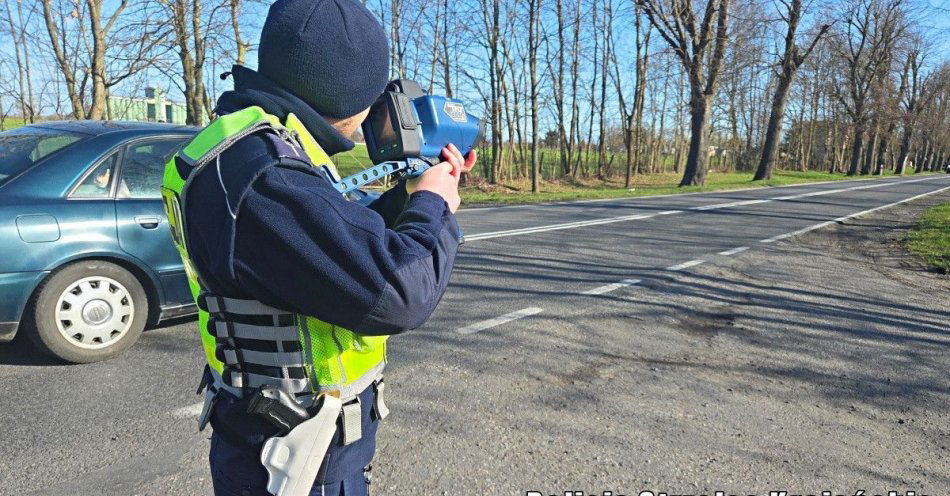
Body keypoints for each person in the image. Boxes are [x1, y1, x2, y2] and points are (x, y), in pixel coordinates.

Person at [160, 0, 475, 494]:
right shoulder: (267, 175)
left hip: (278, 439)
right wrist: (435, 203)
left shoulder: (252, 150)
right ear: (345, 91)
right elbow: (397, 291)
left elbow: (325, 243)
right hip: (295, 455)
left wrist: (411, 197)